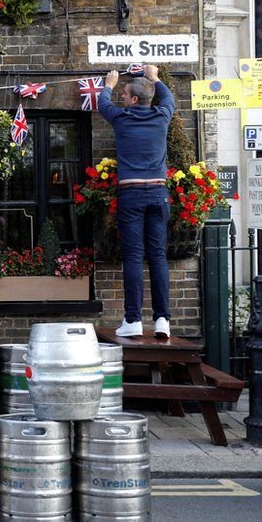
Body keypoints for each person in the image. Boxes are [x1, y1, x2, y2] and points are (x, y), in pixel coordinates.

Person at [97, 65, 175, 339]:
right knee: (157, 255)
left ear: (132, 100)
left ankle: (133, 320)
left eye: (124, 94)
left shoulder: (122, 118)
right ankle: (163, 320)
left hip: (131, 193)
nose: (121, 97)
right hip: (158, 193)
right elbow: (168, 98)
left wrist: (109, 83)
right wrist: (154, 77)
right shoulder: (162, 116)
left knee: (133, 256)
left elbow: (102, 102)